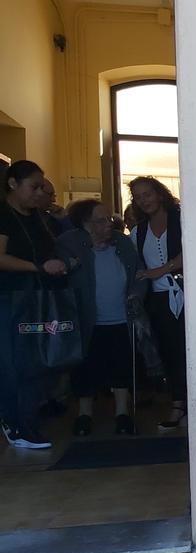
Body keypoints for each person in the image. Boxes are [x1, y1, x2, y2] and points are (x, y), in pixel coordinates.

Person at [57, 199, 142, 435]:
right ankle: (84, 415)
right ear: (86, 224)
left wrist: (135, 295)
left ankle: (122, 413)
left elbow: (138, 274)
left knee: (121, 366)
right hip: (87, 320)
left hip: (120, 318)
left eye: (110, 219)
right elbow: (59, 273)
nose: (109, 224)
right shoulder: (69, 243)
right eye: (102, 220)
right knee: (85, 368)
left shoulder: (122, 242)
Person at [0, 160, 68, 449]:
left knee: (35, 361)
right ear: (13, 184)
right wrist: (37, 267)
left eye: (42, 187)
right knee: (15, 363)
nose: (39, 192)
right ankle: (16, 424)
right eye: (34, 186)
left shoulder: (37, 217)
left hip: (36, 297)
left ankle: (25, 422)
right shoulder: (3, 215)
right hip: (10, 297)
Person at [127, 176, 186, 430]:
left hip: (189, 296)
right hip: (160, 300)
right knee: (170, 353)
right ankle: (178, 404)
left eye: (147, 194)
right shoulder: (138, 232)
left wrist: (161, 269)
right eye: (138, 197)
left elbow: (194, 250)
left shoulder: (182, 218)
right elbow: (137, 267)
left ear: (160, 193)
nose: (144, 200)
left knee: (191, 351)